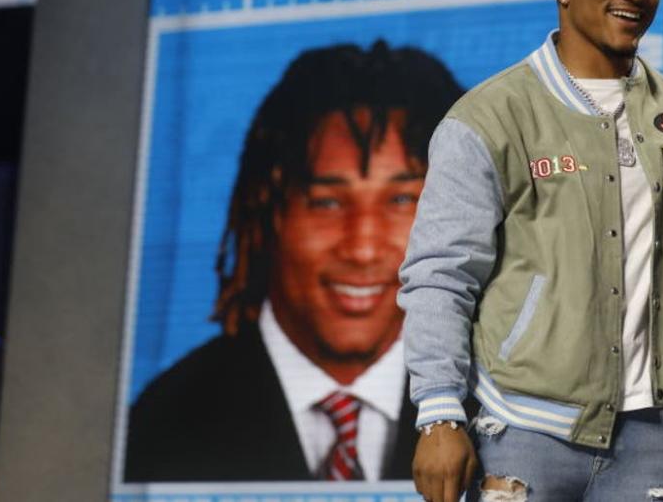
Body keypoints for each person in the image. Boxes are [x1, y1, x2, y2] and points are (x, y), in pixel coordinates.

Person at [398, 0, 663, 502]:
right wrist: (438, 413)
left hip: (652, 436)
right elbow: (441, 276)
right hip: (524, 433)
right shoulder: (490, 116)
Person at [124, 41, 464, 482]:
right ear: (268, 210)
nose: (362, 248)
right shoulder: (160, 423)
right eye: (326, 203)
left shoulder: (504, 410)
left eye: (402, 200)